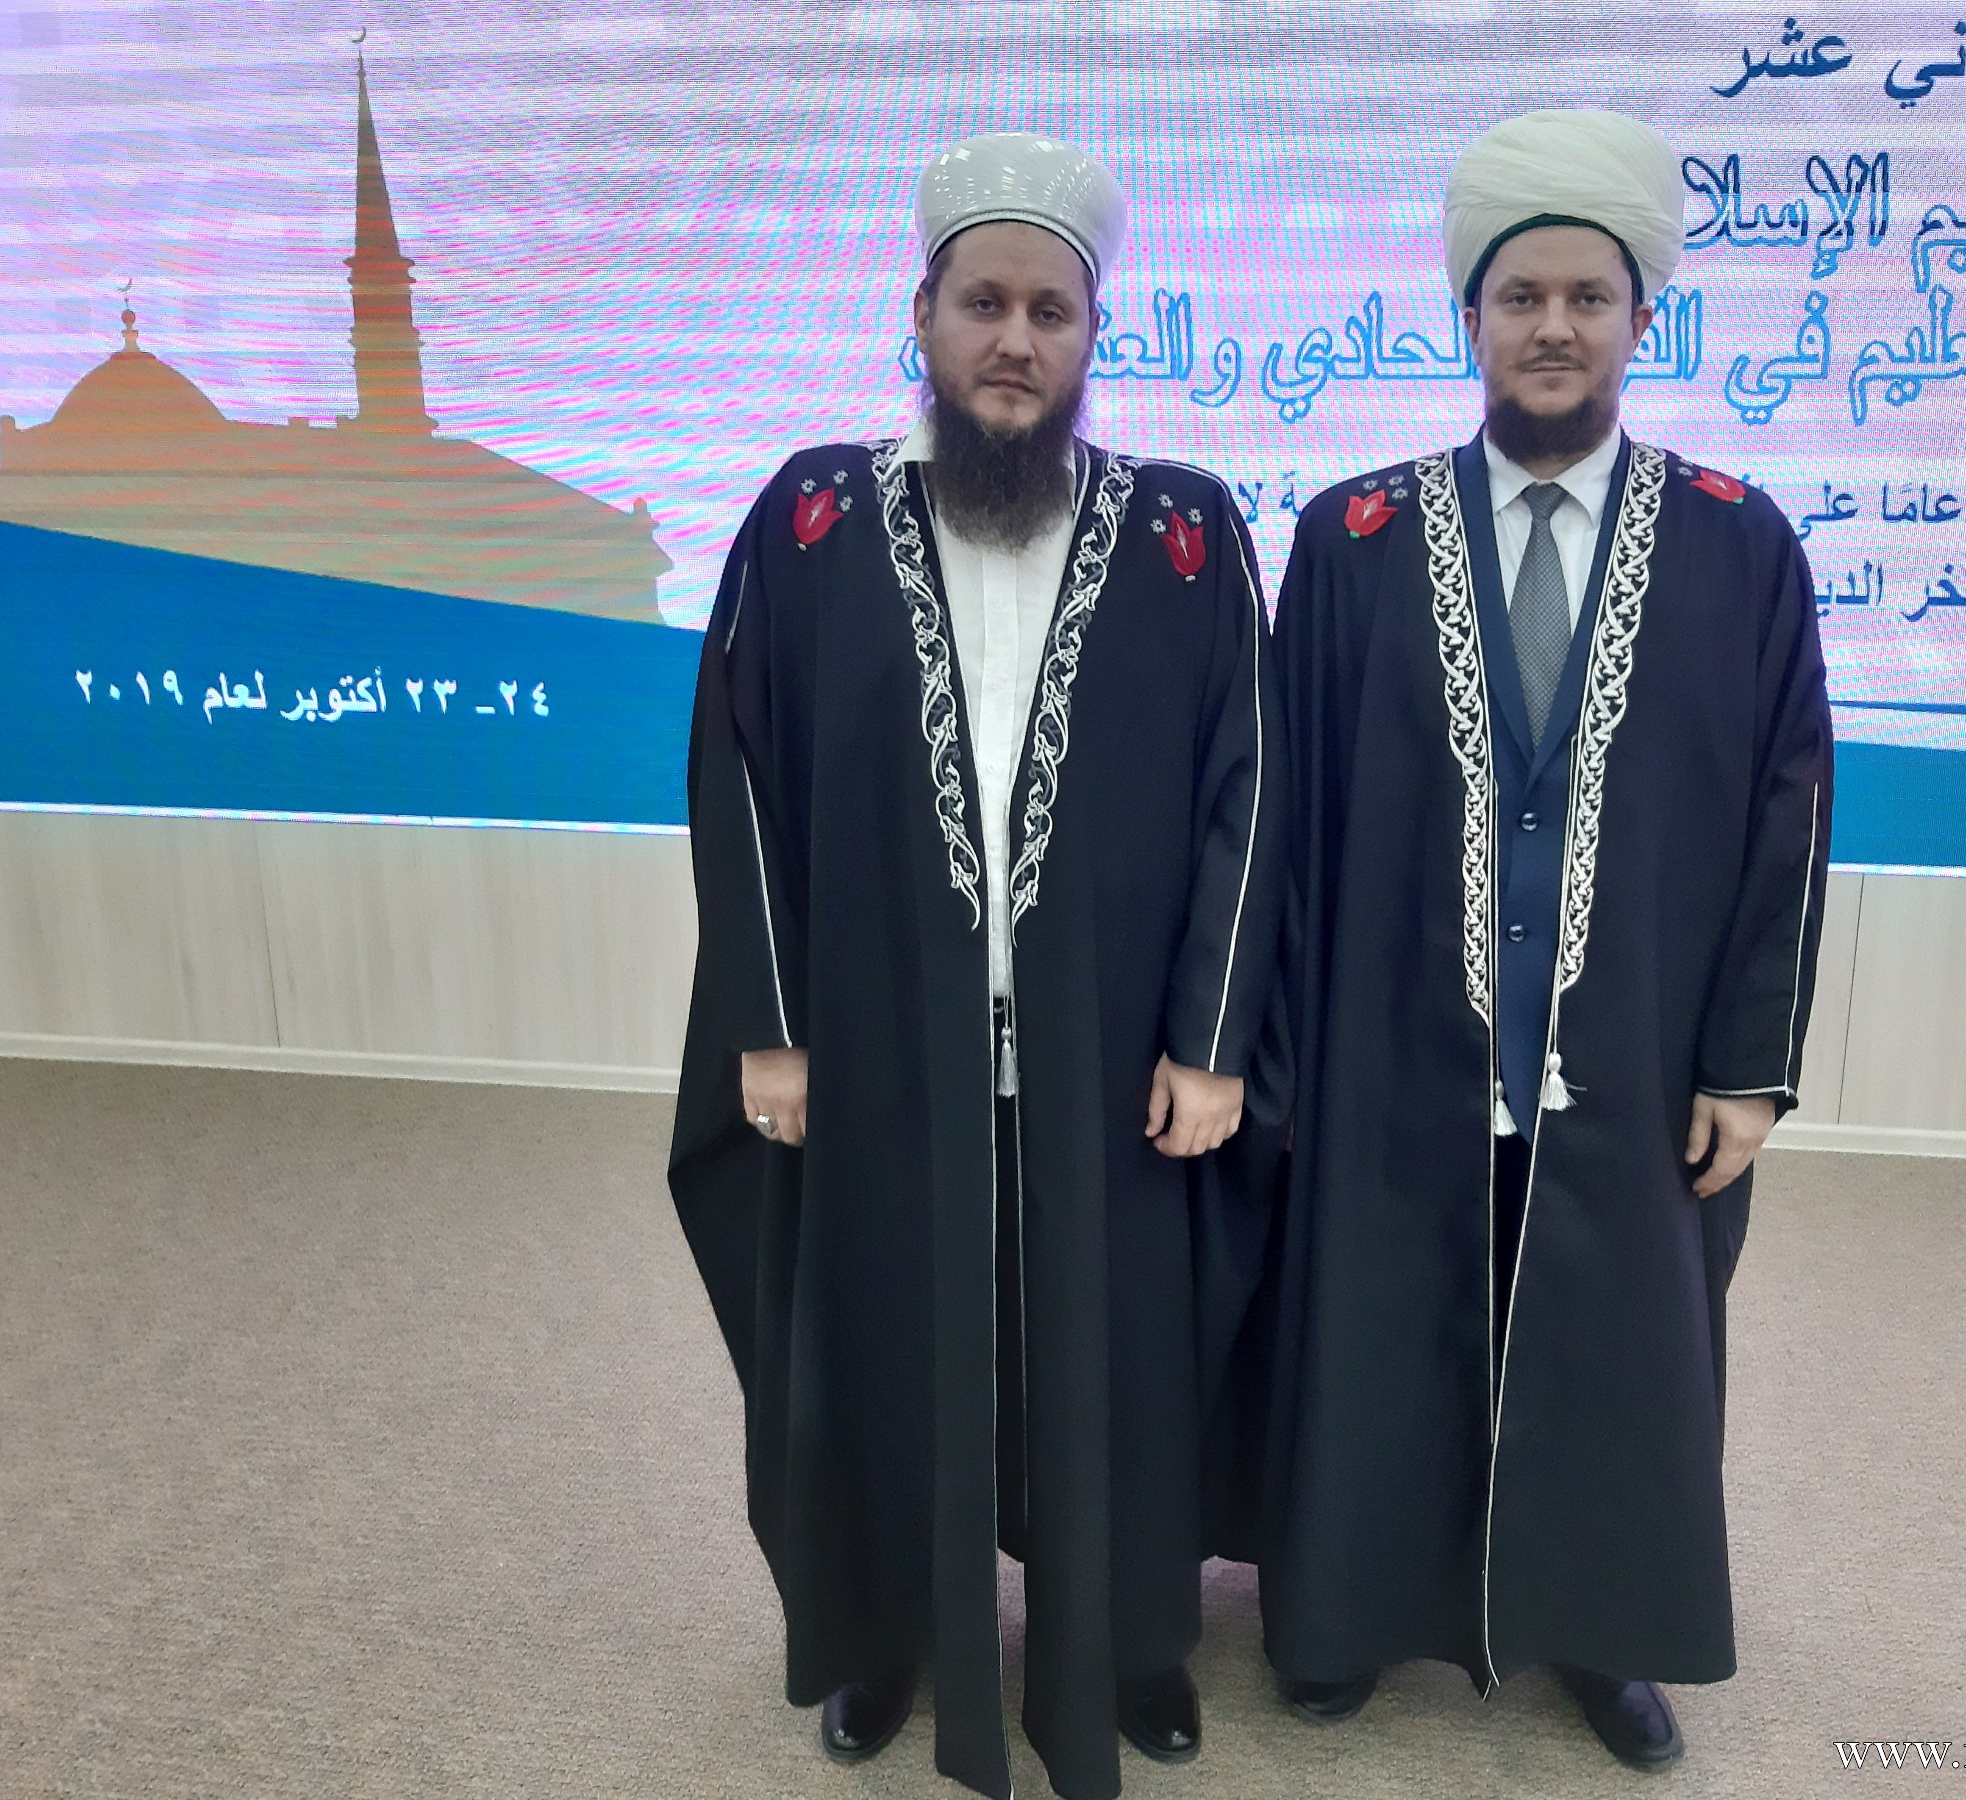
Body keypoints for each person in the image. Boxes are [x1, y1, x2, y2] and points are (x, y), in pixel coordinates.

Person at [666, 133, 1283, 1800]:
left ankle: (1129, 1643)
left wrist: (1213, 1039)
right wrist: (770, 1030)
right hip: (880, 1043)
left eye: (1051, 313)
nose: (1016, 340)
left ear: (1092, 338)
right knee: (886, 1338)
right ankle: (884, 1630)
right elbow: (736, 772)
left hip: (1110, 1054)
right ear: (923, 317)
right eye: (985, 304)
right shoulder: (807, 518)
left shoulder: (1185, 530)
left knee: (1118, 1353)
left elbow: (1250, 788)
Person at [1253, 108, 1834, 1769]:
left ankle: (1601, 1631)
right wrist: (1277, 1059)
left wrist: (1751, 1065)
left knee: (1614, 1345)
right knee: (1383, 1323)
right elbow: (1278, 823)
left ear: (1644, 316)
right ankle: (1353, 1611)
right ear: (1472, 318)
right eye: (1523, 297)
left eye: (1589, 296)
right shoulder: (1352, 542)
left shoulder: (1738, 543)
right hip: (1393, 1045)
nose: (1556, 327)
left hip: (1632, 1049)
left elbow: (1790, 812)